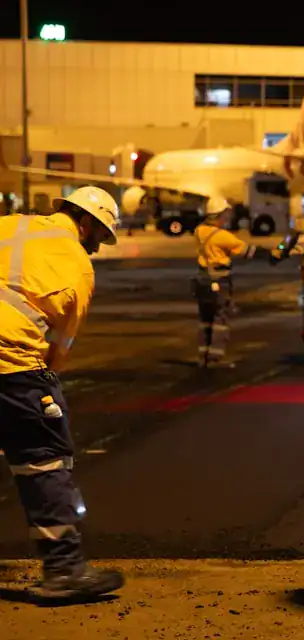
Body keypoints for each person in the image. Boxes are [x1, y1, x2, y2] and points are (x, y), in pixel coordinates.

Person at [0, 186, 125, 601]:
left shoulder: (8, 225)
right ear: (85, 222)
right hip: (13, 364)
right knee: (44, 463)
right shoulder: (76, 263)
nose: (96, 248)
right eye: (98, 238)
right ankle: (65, 569)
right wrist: (45, 389)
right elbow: (60, 346)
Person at [192, 196, 294, 368]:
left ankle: (203, 356)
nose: (228, 218)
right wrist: (274, 255)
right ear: (219, 215)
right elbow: (248, 251)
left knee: (205, 319)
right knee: (220, 319)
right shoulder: (223, 236)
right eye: (226, 214)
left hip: (201, 280)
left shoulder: (199, 230)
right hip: (218, 281)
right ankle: (215, 358)